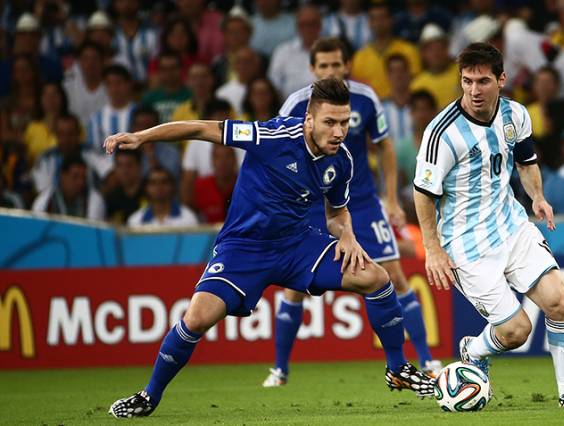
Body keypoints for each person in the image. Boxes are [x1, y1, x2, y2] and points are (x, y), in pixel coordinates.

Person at [106, 78, 434, 418]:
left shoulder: (343, 161)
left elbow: (336, 212)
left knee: (376, 278)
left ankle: (397, 368)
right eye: (329, 122)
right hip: (243, 248)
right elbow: (202, 129)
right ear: (309, 120)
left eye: (344, 122)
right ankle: (150, 395)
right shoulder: (272, 136)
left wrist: (347, 235)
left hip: (297, 244)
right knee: (197, 318)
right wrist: (141, 137)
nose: (339, 132)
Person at [413, 42, 564, 408]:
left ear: (501, 79)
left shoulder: (516, 115)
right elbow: (423, 193)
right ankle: (474, 349)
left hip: (512, 226)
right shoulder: (441, 134)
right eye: (466, 82)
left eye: (482, 81)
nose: (474, 90)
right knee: (516, 332)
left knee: (560, 303)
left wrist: (537, 198)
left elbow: (526, 162)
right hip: (467, 245)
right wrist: (432, 249)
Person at [268, 38, 440, 386]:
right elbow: (278, 156)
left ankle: (427, 359)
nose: (331, 71)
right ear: (312, 69)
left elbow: (385, 147)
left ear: (347, 66)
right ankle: (280, 369)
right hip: (314, 207)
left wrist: (391, 198)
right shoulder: (295, 105)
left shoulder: (365, 98)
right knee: (294, 288)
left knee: (394, 276)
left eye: (336, 65)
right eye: (324, 66)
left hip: (361, 202)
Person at [32, 154, 106, 221]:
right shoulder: (45, 201)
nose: (80, 182)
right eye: (75, 177)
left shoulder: (95, 201)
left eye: (83, 177)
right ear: (63, 176)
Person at [127, 167, 200, 228]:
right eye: (153, 183)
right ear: (146, 188)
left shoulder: (188, 217)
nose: (159, 187)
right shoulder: (135, 220)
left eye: (164, 182)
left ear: (172, 186)